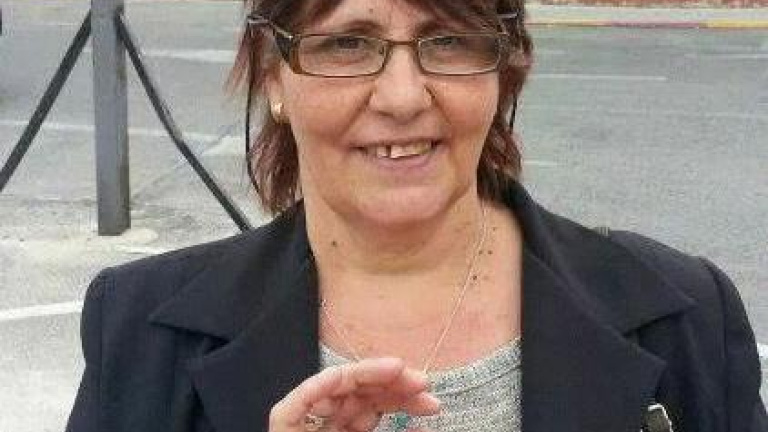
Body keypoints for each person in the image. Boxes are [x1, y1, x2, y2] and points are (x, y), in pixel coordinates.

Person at [65, 0, 767, 431]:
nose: (402, 97)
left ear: (503, 69)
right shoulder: (139, 330)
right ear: (273, 75)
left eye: (449, 39)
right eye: (348, 42)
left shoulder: (686, 320)